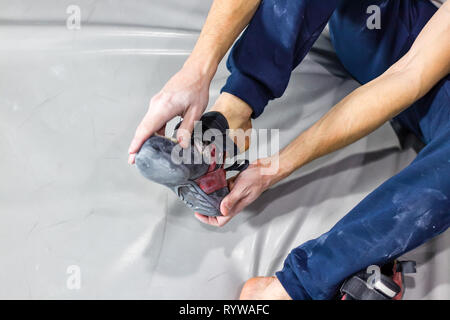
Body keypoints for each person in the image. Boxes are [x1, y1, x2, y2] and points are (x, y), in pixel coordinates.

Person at [129, 0, 450, 299]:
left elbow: (409, 78)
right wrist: (196, 70)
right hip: (395, 33)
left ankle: (299, 284)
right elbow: (407, 74)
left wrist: (274, 169)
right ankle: (225, 125)